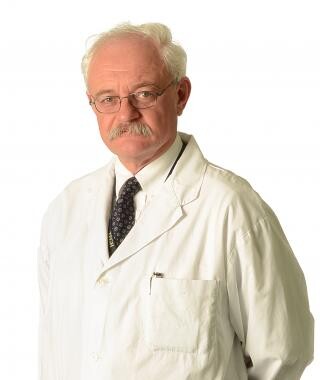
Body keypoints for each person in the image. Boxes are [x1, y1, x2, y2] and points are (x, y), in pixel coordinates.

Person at [38, 22, 314, 379]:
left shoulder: (231, 209)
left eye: (144, 94)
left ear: (180, 94)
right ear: (92, 104)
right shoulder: (64, 211)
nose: (125, 114)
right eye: (108, 99)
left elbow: (283, 353)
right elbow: (53, 349)